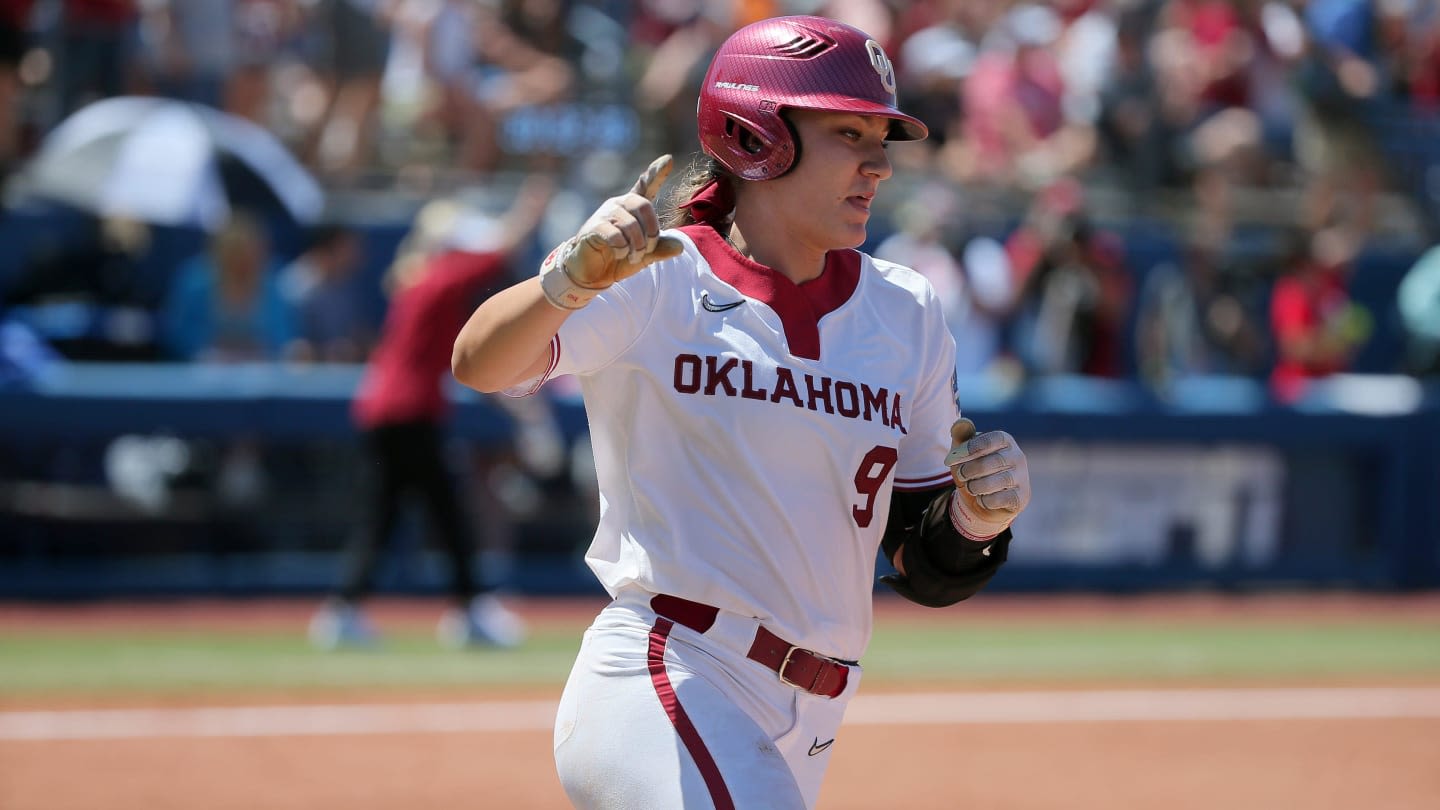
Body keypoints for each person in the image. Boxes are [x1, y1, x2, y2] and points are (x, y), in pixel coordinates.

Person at [452, 15, 1032, 809]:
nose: (878, 164)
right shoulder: (656, 271)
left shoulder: (907, 311)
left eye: (882, 137)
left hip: (814, 713)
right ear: (758, 135)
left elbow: (920, 561)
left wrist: (977, 517)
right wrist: (566, 287)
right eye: (849, 132)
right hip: (671, 667)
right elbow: (478, 362)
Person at [308, 178, 552, 651]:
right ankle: (468, 611)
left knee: (390, 515)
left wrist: (525, 416)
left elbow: (468, 368)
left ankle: (350, 609)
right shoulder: (440, 278)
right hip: (409, 413)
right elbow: (503, 249)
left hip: (390, 412)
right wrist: (531, 206)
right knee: (444, 512)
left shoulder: (418, 281)